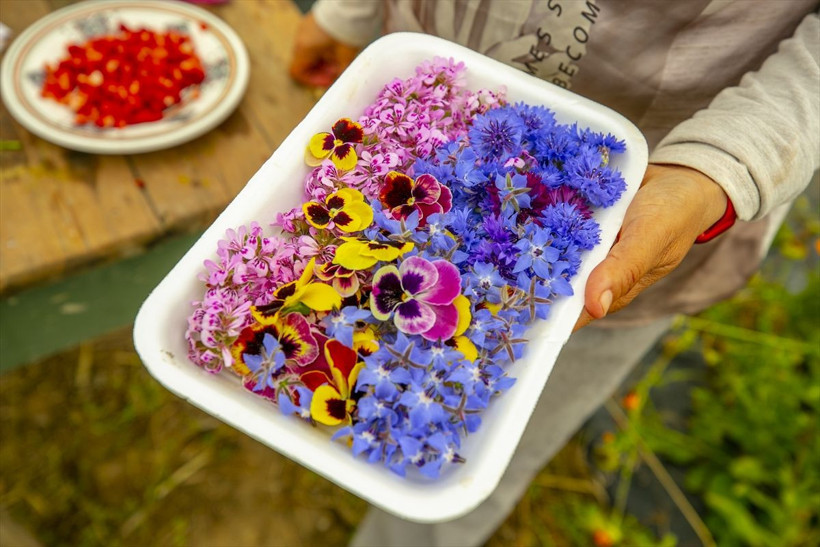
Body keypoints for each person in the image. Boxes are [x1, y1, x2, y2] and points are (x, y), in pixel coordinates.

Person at [289, 2, 820, 545]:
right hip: (435, 88)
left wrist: (720, 166)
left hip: (654, 177)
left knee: (487, 450)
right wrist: (347, 12)